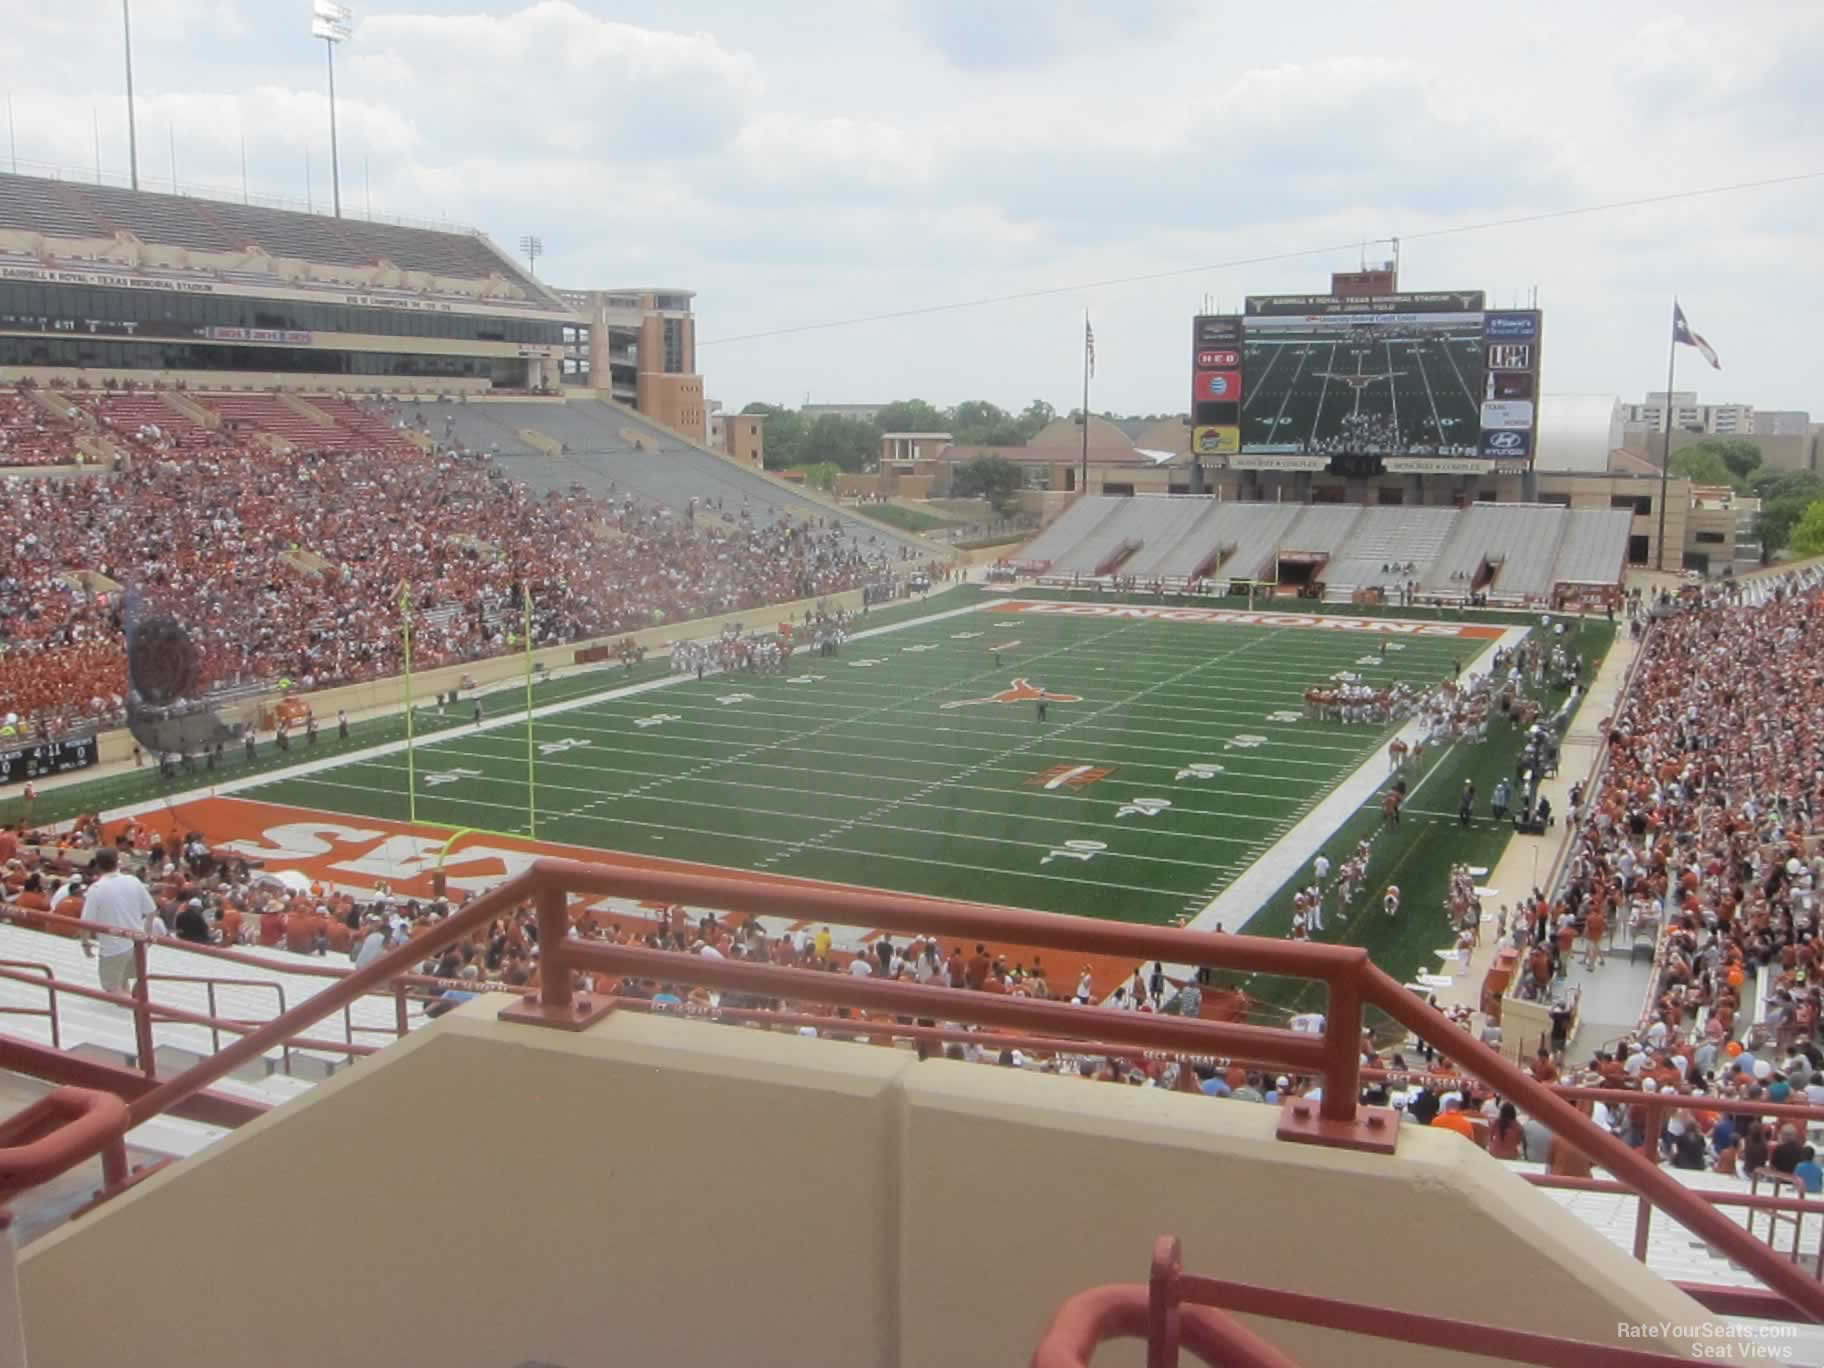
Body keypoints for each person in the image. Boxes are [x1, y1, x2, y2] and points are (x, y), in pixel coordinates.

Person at [78, 848, 158, 997]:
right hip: (137, 943)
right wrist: (147, 936)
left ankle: (139, 1010)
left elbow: (85, 923)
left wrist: (85, 943)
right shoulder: (132, 881)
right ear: (117, 862)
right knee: (123, 980)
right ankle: (134, 1008)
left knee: (112, 988)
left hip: (114, 947)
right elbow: (151, 910)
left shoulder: (96, 889)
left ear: (98, 866)